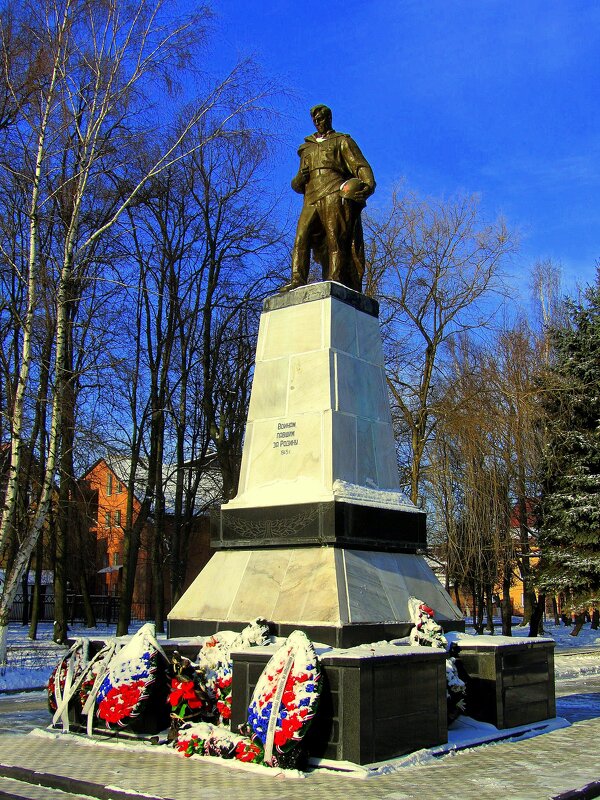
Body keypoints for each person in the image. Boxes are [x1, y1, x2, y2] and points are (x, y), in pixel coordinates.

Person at [281, 104, 376, 293]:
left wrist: (369, 184)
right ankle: (297, 280)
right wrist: (301, 176)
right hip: (311, 197)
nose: (318, 123)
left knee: (336, 238)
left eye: (321, 119)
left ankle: (335, 278)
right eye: (315, 120)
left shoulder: (342, 141)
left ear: (329, 118)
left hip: (334, 190)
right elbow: (296, 185)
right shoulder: (306, 148)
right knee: (301, 237)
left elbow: (360, 165)